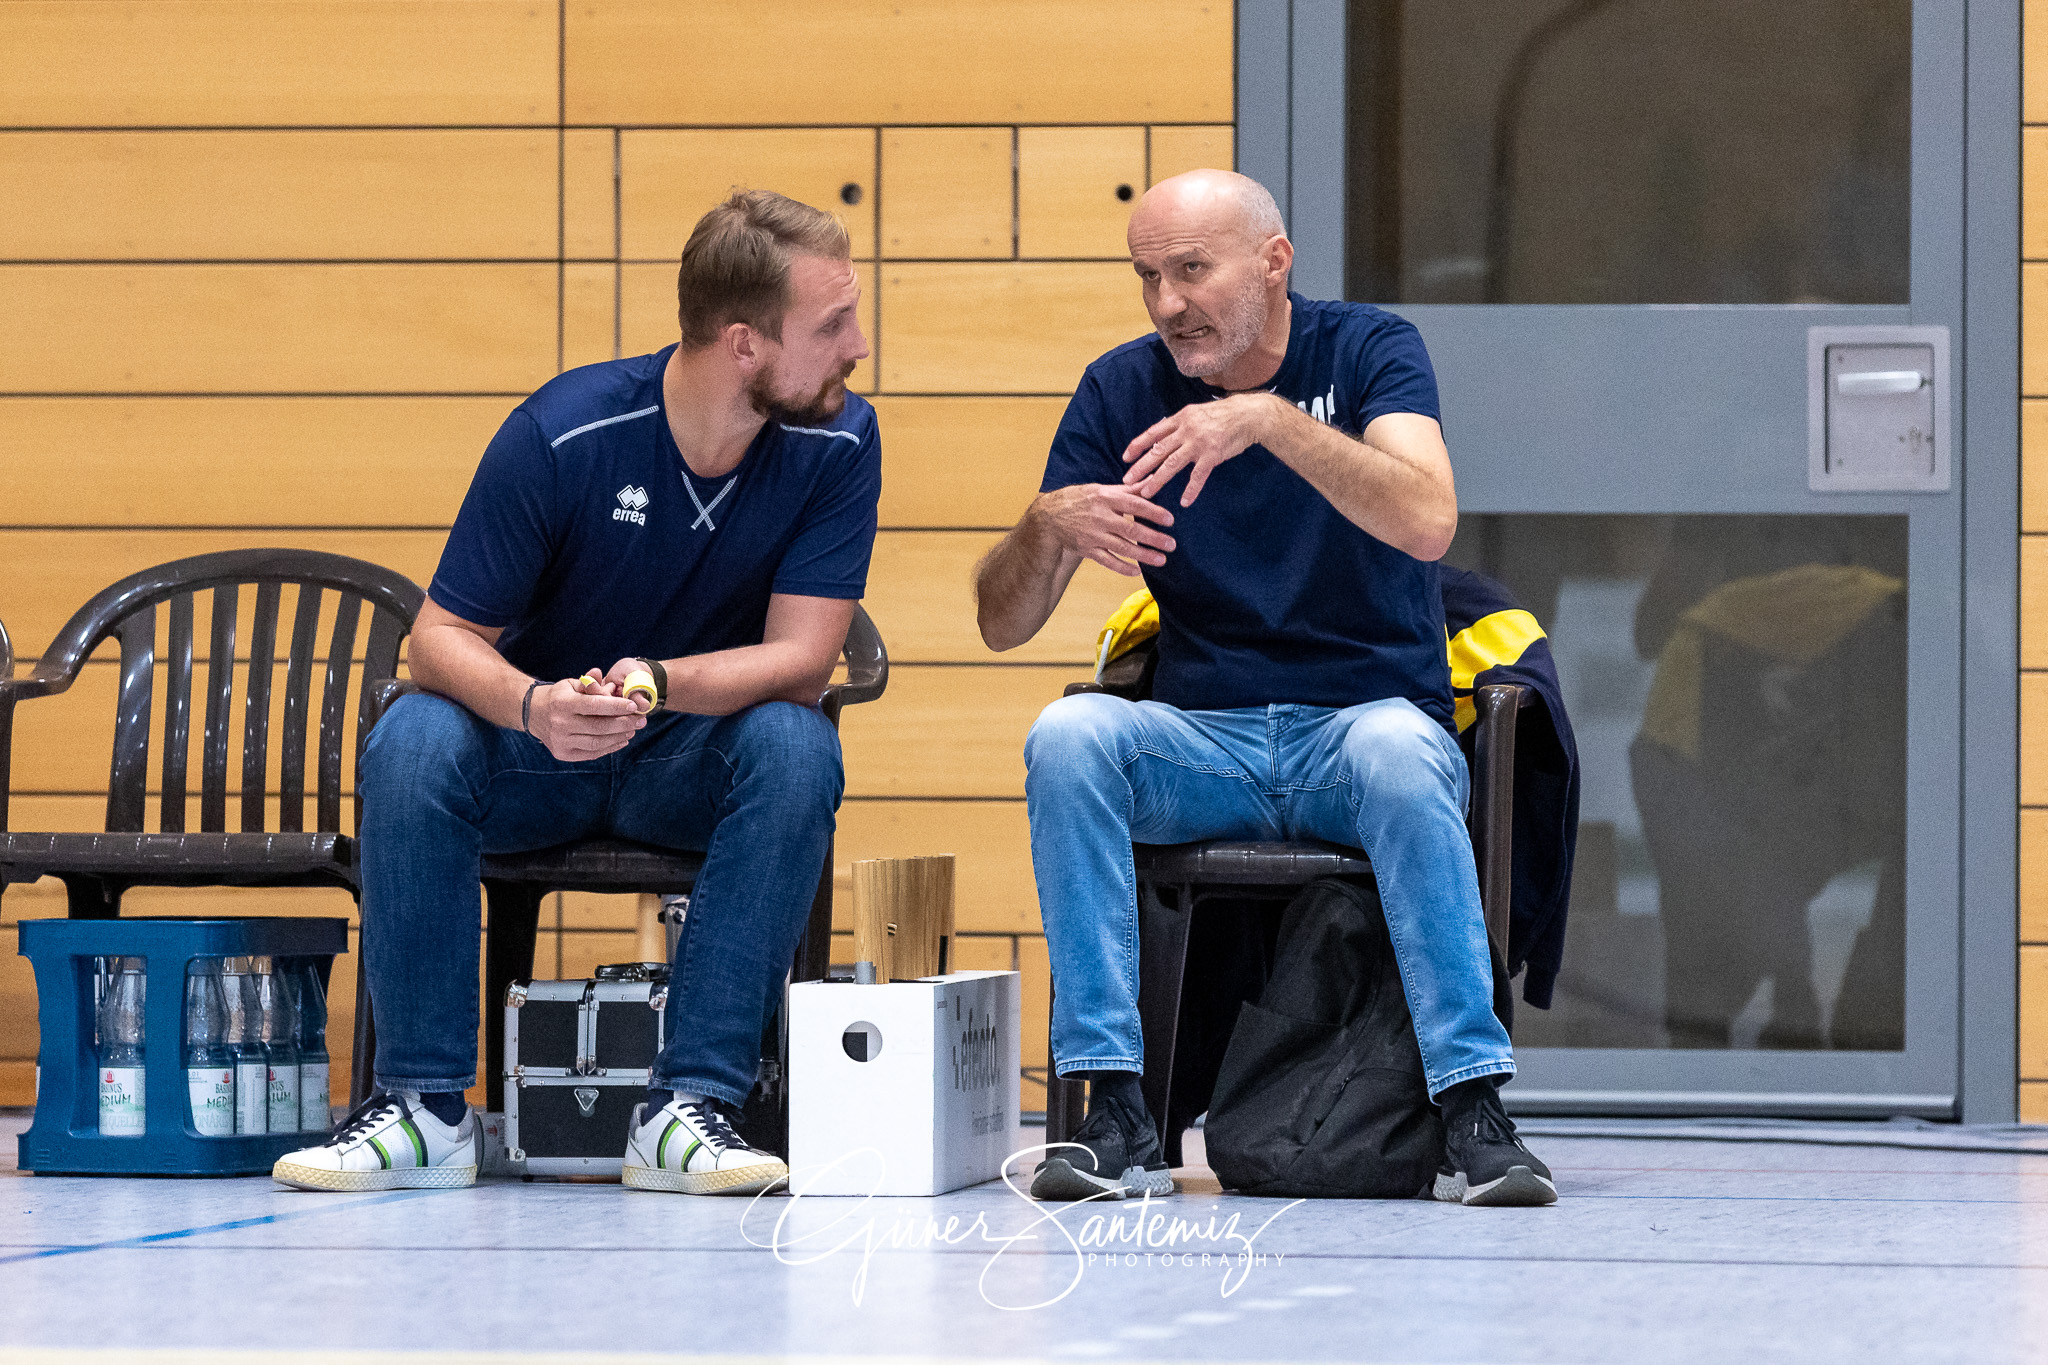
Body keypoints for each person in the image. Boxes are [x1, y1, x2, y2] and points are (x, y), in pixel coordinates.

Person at [273, 190, 879, 1197]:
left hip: (686, 760)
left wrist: (655, 680)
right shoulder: (563, 432)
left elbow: (803, 658)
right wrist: (532, 707)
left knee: (797, 743)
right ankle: (423, 1110)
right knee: (413, 737)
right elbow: (437, 639)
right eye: (831, 325)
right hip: (533, 761)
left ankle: (689, 1108)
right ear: (742, 344)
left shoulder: (837, 440)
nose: (857, 345)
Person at [973, 170, 1554, 1207]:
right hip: (1206, 745)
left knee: (1395, 752)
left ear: (1272, 262)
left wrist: (1267, 423)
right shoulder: (1120, 387)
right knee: (1068, 738)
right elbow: (998, 623)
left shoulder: (1369, 350)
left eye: (1190, 271)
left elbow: (1427, 520)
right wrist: (1044, 526)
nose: (1165, 304)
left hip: (1359, 734)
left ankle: (1473, 1112)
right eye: (1147, 276)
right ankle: (1114, 1111)